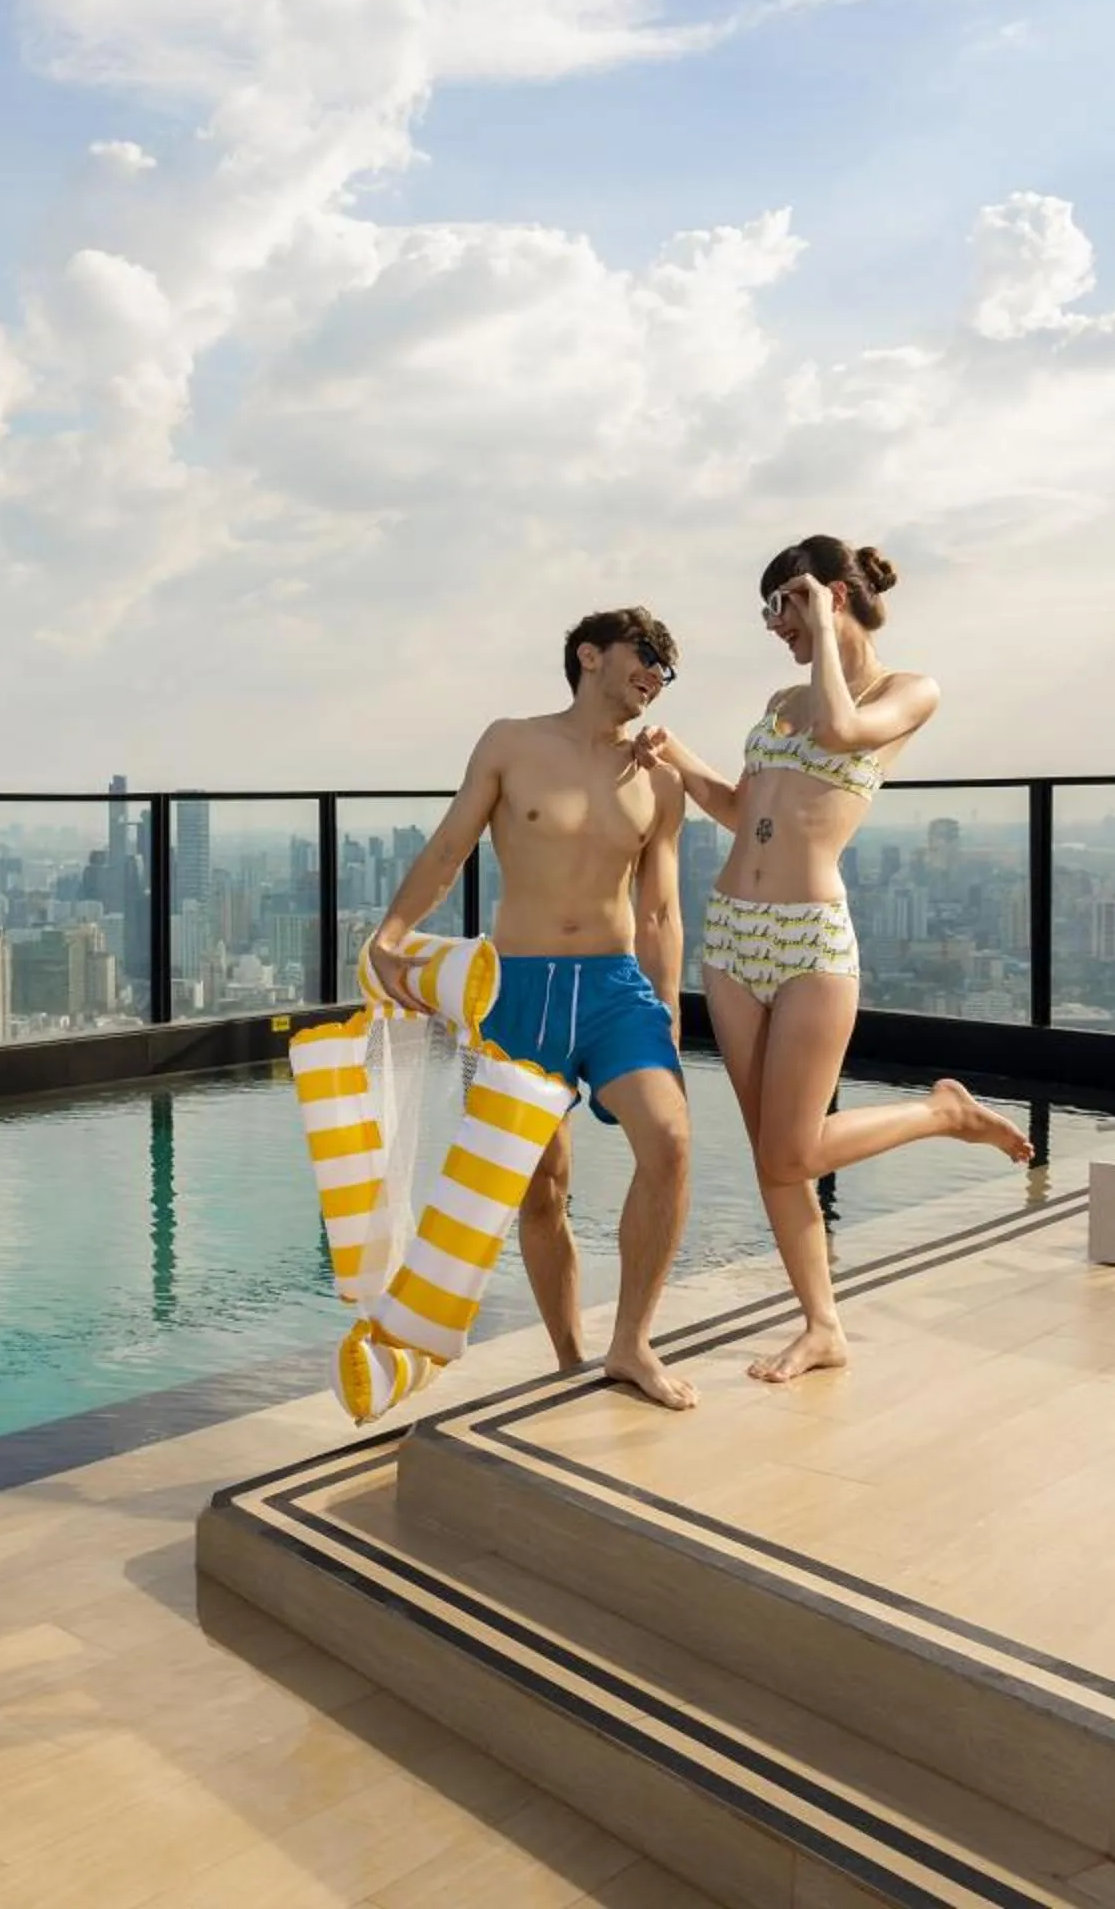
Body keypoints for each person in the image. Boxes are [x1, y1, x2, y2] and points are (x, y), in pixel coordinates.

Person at [636, 537, 1032, 1386]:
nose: (776, 625)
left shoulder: (907, 691)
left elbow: (843, 730)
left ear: (832, 595)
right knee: (773, 1156)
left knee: (794, 1148)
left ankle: (942, 1115)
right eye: (772, 609)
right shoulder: (782, 697)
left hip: (811, 938)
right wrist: (679, 757)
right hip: (734, 936)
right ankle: (822, 1326)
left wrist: (820, 622)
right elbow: (744, 811)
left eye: (784, 603)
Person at [367, 607, 698, 1410]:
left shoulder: (658, 778)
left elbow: (658, 909)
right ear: (590, 655)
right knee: (543, 1185)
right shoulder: (511, 743)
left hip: (617, 989)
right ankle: (568, 1354)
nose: (657, 675)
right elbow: (449, 849)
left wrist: (668, 1006)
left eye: (669, 668)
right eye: (646, 655)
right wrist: (390, 935)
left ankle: (632, 1344)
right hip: (520, 988)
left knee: (671, 1141)